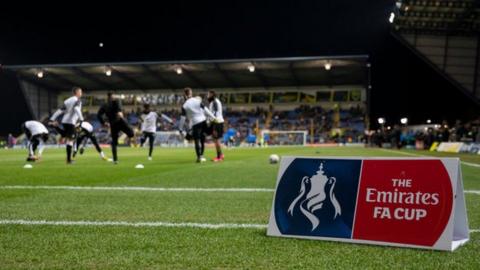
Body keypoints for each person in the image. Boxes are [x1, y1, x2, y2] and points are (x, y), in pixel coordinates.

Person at [178, 88, 217, 163]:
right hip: (203, 121)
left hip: (195, 123)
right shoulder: (197, 100)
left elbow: (182, 118)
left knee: (197, 140)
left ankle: (199, 157)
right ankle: (202, 155)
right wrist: (213, 117)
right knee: (203, 137)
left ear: (184, 95)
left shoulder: (184, 106)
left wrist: (180, 129)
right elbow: (205, 109)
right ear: (191, 93)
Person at [97, 92, 134, 164]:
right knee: (131, 134)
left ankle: (115, 160)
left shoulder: (104, 105)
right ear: (112, 96)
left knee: (114, 142)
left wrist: (103, 123)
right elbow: (120, 112)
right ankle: (125, 135)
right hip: (120, 121)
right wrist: (120, 113)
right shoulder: (117, 101)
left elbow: (98, 115)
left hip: (113, 124)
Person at [49, 86, 84, 164]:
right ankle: (69, 160)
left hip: (64, 121)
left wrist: (52, 119)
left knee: (66, 136)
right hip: (71, 122)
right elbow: (76, 109)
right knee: (70, 140)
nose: (81, 93)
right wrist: (81, 119)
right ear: (77, 92)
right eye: (80, 92)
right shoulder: (77, 100)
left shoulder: (67, 100)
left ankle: (55, 126)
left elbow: (60, 110)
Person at [207, 90, 225, 162]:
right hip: (217, 121)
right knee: (216, 140)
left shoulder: (214, 102)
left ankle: (219, 157)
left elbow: (215, 112)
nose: (207, 96)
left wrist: (211, 122)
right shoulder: (215, 101)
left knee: (216, 140)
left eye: (208, 95)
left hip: (216, 122)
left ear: (212, 95)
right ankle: (221, 154)